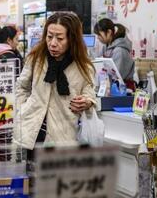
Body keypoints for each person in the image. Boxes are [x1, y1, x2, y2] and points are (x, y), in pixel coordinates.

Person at [15, 11, 97, 152]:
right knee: (29, 173)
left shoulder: (83, 66)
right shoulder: (36, 58)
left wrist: (87, 101)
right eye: (49, 36)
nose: (53, 43)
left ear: (72, 39)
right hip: (31, 134)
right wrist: (21, 109)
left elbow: (89, 92)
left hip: (63, 136)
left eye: (59, 38)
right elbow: (21, 87)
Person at [94, 18, 136, 89]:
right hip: (112, 87)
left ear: (109, 32)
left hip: (122, 90)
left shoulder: (120, 50)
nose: (98, 38)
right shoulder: (106, 47)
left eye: (99, 35)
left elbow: (117, 76)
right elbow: (97, 62)